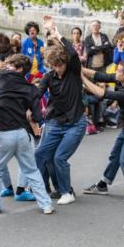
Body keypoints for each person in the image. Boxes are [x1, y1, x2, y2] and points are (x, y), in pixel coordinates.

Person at [0, 54, 54, 214]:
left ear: (17, 69)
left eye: (10, 65)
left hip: (4, 132)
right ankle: (46, 205)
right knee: (31, 170)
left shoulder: (2, 78)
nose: (7, 67)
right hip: (23, 133)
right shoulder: (31, 88)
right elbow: (38, 116)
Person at [81, 61, 124, 203]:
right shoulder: (121, 79)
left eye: (119, 71)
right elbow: (99, 75)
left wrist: (82, 78)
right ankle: (102, 185)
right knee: (115, 156)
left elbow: (101, 93)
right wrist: (81, 69)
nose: (116, 72)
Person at [35, 41, 87, 205]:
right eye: (54, 65)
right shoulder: (48, 77)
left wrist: (57, 34)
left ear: (66, 63)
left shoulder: (73, 71)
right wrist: (27, 108)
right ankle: (42, 188)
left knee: (59, 158)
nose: (57, 68)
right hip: (56, 122)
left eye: (60, 65)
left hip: (75, 123)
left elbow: (72, 52)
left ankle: (67, 192)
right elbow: (36, 94)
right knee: (40, 154)